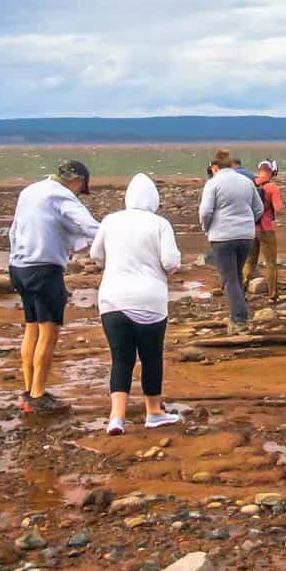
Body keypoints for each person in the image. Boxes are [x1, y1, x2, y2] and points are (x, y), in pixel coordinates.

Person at [91, 174, 183, 435]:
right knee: (151, 357)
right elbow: (170, 262)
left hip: (112, 299)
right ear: (154, 199)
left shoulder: (111, 220)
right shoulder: (160, 224)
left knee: (121, 359)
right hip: (150, 299)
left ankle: (116, 417)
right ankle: (153, 412)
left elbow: (96, 255)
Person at [8, 159, 100, 414]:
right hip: (44, 270)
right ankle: (37, 396)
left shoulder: (30, 191)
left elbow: (13, 230)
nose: (79, 194)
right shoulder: (61, 195)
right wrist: (116, 235)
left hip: (19, 266)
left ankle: (29, 392)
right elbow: (88, 226)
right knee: (49, 332)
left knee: (32, 327)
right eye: (81, 189)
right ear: (78, 181)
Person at [199, 149, 264, 335]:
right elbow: (258, 208)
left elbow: (205, 211)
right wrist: (247, 222)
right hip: (245, 236)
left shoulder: (213, 184)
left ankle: (240, 320)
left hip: (222, 237)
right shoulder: (246, 182)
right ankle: (236, 316)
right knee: (235, 275)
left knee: (229, 278)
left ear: (215, 167)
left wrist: (207, 227)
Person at [241, 160, 284, 300]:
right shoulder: (272, 187)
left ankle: (242, 287)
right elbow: (279, 209)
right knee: (270, 262)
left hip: (250, 227)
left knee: (249, 261)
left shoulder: (248, 185)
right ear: (271, 172)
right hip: (266, 228)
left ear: (258, 170)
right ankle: (272, 294)